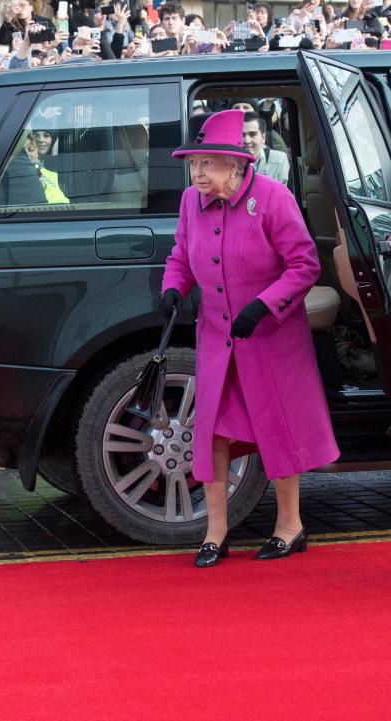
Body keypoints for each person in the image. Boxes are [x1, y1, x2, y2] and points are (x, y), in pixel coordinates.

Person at [160, 109, 339, 567]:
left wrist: (264, 304)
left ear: (236, 164)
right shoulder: (189, 202)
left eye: (207, 163)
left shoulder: (273, 197)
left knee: (277, 428)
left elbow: (305, 264)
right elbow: (181, 254)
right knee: (214, 433)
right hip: (219, 339)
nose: (197, 172)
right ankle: (215, 533)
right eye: (194, 163)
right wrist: (173, 289)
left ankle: (290, 526)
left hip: (272, 337)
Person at [242, 111, 290, 185]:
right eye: (242, 135)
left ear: (263, 137)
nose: (247, 141)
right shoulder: (227, 161)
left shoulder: (279, 159)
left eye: (252, 134)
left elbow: (283, 194)